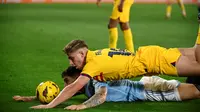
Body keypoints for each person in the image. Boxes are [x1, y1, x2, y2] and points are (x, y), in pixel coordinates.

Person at [30, 30, 200, 109]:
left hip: (154, 61)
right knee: (197, 54)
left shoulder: (92, 65)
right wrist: (32, 97)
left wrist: (50, 106)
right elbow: (74, 88)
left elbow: (74, 87)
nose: (71, 62)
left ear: (82, 53)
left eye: (72, 58)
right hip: (150, 55)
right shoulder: (97, 54)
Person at [14, 66, 200, 110]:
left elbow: (102, 96)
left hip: (147, 89)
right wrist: (32, 97)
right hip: (145, 85)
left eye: (67, 81)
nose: (66, 87)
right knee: (194, 88)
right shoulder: (83, 85)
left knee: (196, 92)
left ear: (78, 77)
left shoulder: (94, 79)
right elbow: (62, 95)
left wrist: (82, 106)